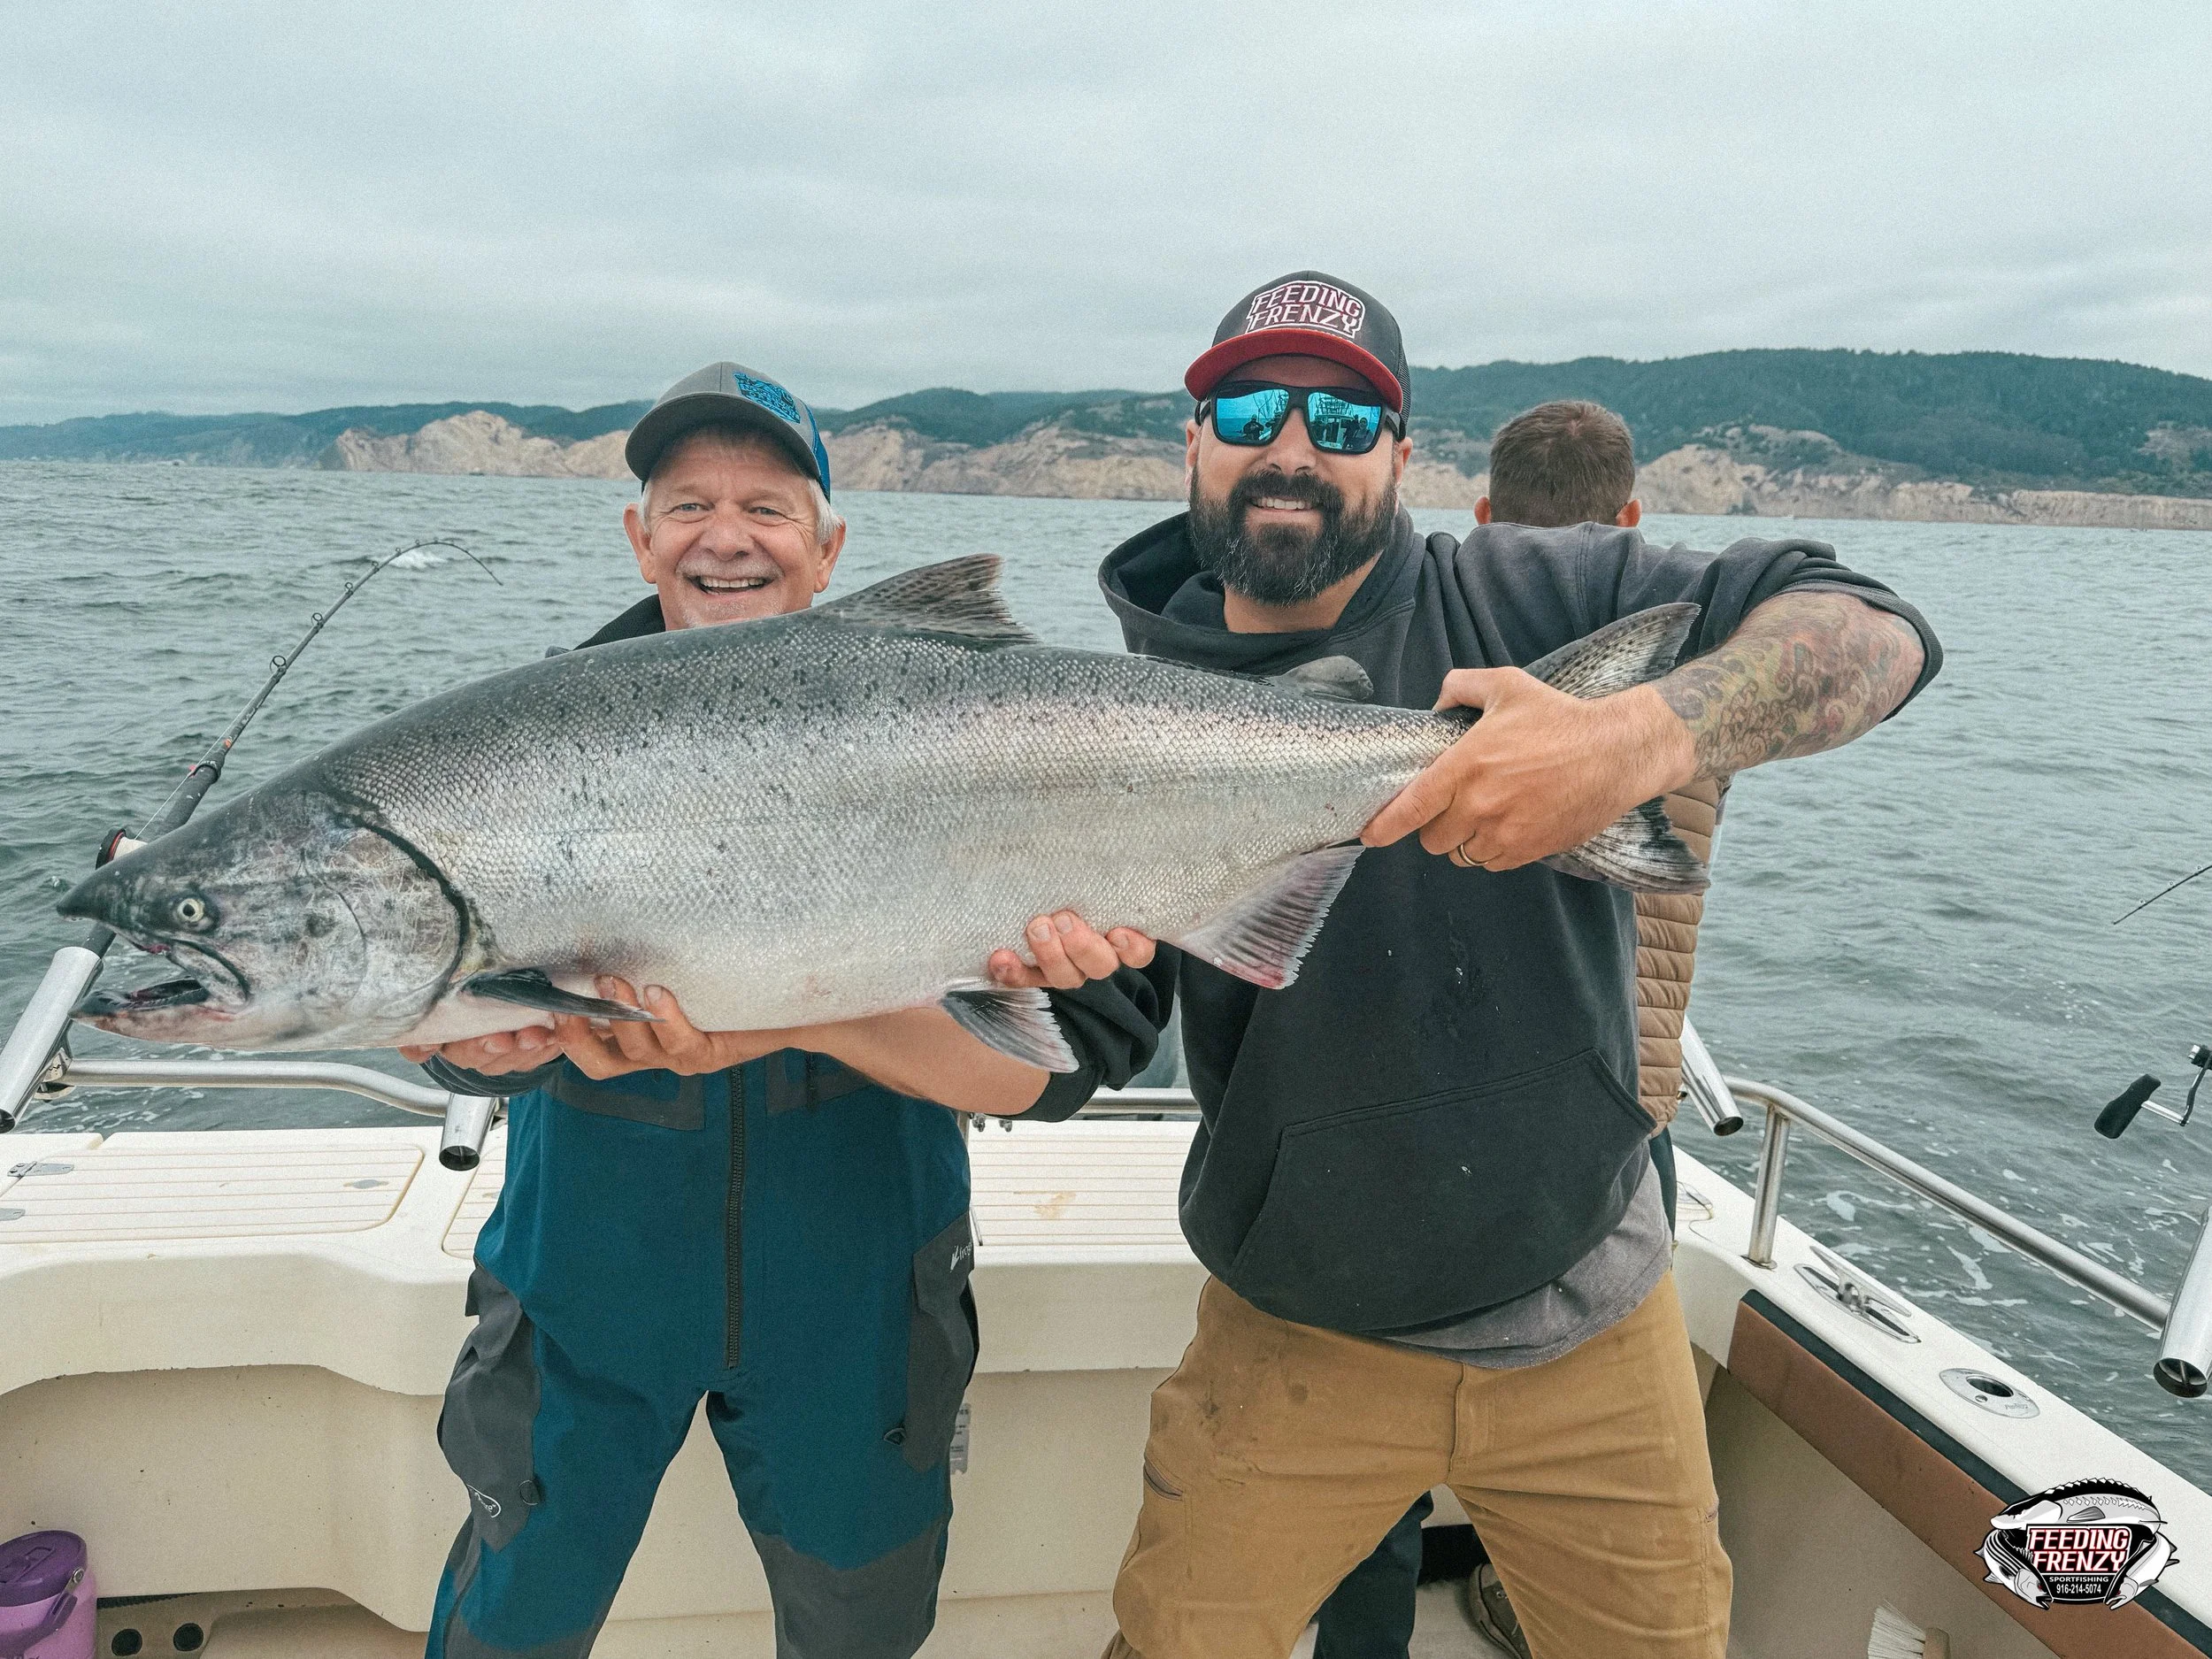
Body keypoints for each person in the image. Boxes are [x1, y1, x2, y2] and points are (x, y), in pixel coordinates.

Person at [1094, 273, 1940, 1659]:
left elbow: (1872, 622)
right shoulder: (1116, 710)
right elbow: (1082, 1029)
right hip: (1294, 1327)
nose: (1293, 446)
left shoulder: (1526, 592)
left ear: (1404, 453)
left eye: (1344, 414)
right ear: (1193, 439)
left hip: (1592, 1320)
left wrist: (1642, 736)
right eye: (1250, 407)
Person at [401, 360, 1166, 1659]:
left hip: (859, 1287)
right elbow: (449, 1015)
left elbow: (1077, 1060)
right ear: (638, 537)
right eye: (688, 500)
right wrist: (458, 1043)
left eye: (767, 502)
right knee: (507, 1622)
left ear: (829, 546)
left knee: (859, 1625)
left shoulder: (980, 733)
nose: (726, 532)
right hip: (586, 1282)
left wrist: (808, 1019)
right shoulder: (520, 746)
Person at [1314, 397, 1723, 1659]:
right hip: (1629, 1103)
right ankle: (1510, 1586)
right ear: (1637, 519)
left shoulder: (1449, 672)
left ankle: (1371, 1629)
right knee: (1582, 1406)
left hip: (1434, 1113)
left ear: (1482, 520)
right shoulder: (1682, 696)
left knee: (1365, 1471)